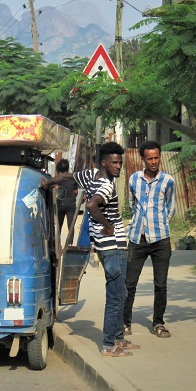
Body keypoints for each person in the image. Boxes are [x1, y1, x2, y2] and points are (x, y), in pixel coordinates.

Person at [42, 142, 137, 357]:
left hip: (113, 246)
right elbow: (93, 205)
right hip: (112, 246)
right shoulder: (107, 186)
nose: (119, 166)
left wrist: (48, 183)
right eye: (114, 162)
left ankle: (119, 338)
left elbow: (67, 176)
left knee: (121, 292)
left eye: (120, 162)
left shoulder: (90, 175)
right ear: (104, 163)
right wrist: (108, 225)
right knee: (115, 295)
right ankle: (108, 345)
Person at [123, 140, 176, 339]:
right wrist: (140, 222)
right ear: (142, 159)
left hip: (161, 239)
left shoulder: (168, 181)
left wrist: (159, 223)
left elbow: (171, 207)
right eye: (149, 158)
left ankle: (158, 323)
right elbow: (131, 204)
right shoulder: (133, 179)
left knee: (160, 284)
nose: (154, 162)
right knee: (129, 283)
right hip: (137, 238)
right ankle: (125, 322)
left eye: (156, 157)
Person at [55, 158, 78, 236]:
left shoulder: (58, 179)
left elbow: (56, 190)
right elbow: (76, 192)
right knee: (71, 225)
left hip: (61, 203)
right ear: (68, 168)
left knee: (59, 225)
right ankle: (70, 244)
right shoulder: (73, 178)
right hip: (71, 203)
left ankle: (57, 243)